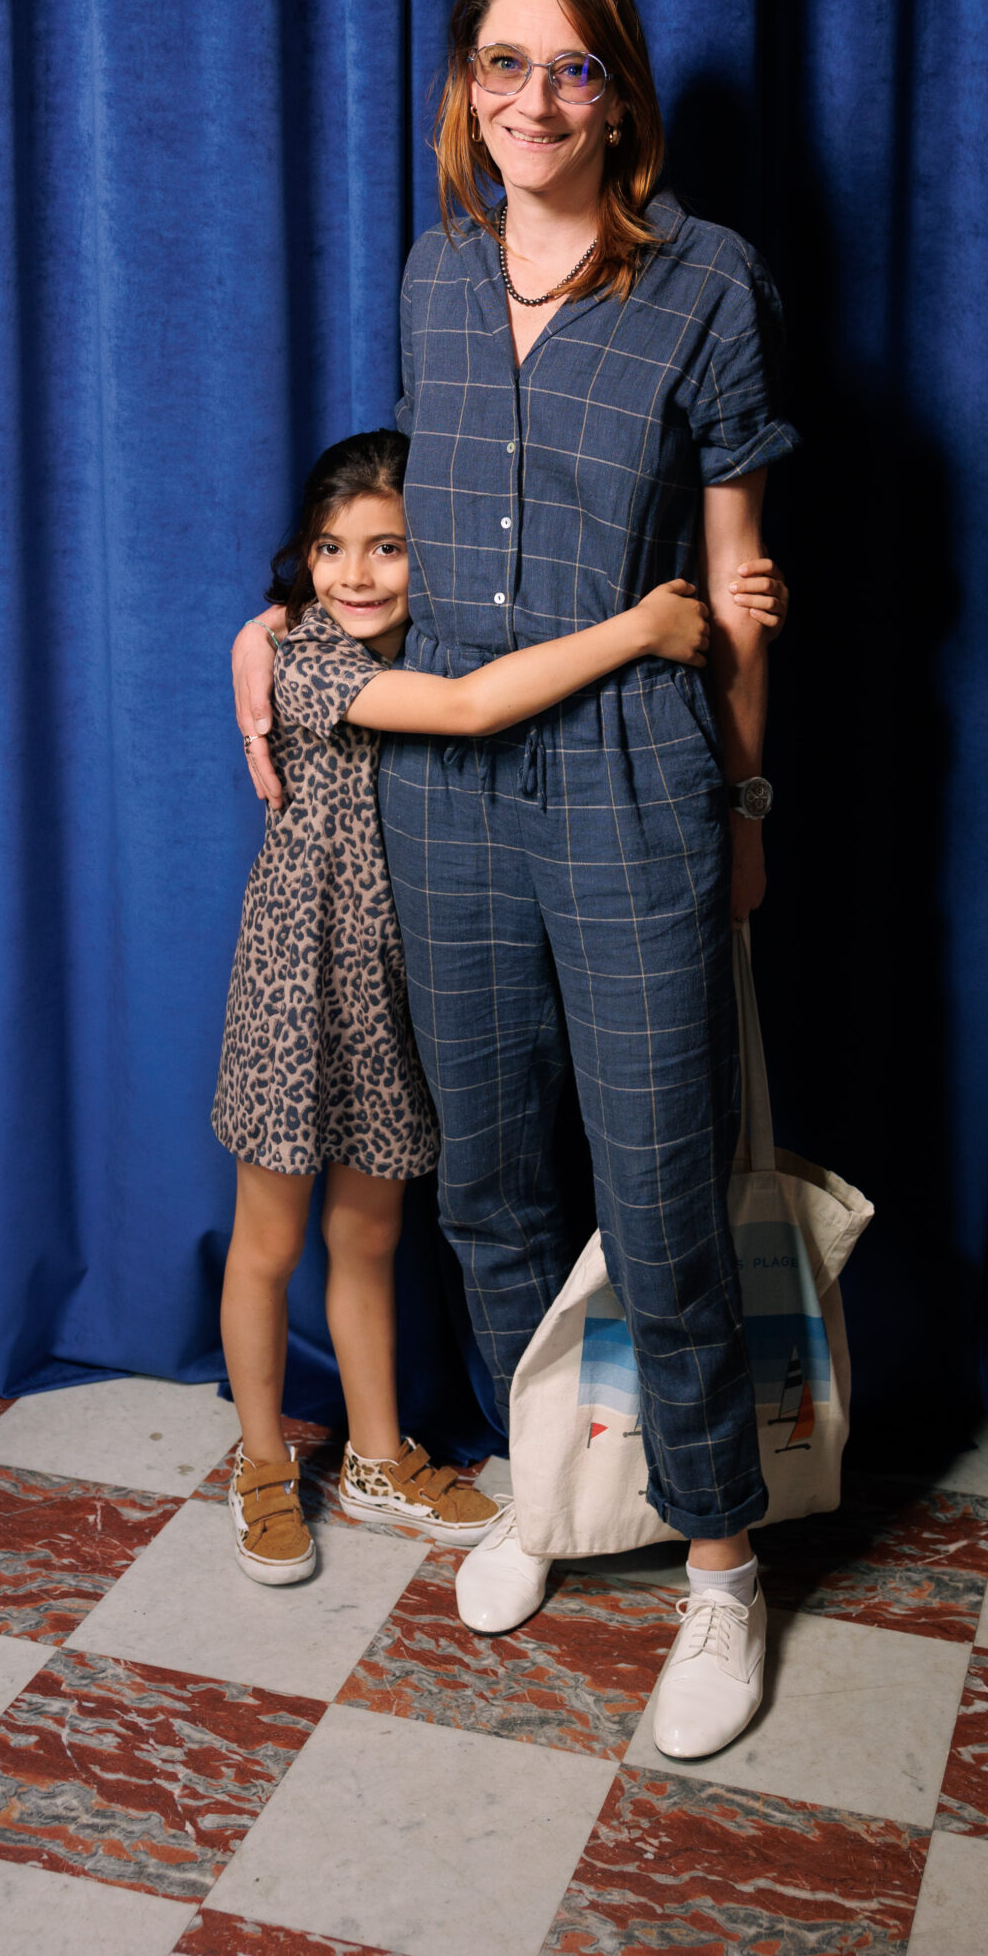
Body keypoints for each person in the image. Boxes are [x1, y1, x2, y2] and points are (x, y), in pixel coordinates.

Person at [234, 0, 794, 1758]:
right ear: (462, 88)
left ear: (615, 97)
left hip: (633, 783)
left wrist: (743, 809)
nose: (531, 101)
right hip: (442, 797)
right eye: (500, 65)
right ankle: (543, 1490)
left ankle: (719, 1566)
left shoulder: (707, 282)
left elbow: (734, 583)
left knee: (660, 1194)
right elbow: (394, 547)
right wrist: (271, 634)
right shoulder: (435, 274)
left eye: (569, 69)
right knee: (483, 1184)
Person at [215, 423, 735, 1588]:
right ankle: (260, 1461)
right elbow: (469, 709)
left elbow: (484, 671)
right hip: (298, 984)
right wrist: (640, 628)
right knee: (270, 1241)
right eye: (331, 547)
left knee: (370, 1237)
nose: (355, 573)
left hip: (395, 983)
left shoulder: (421, 634)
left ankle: (375, 1455)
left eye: (388, 546)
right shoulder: (310, 660)